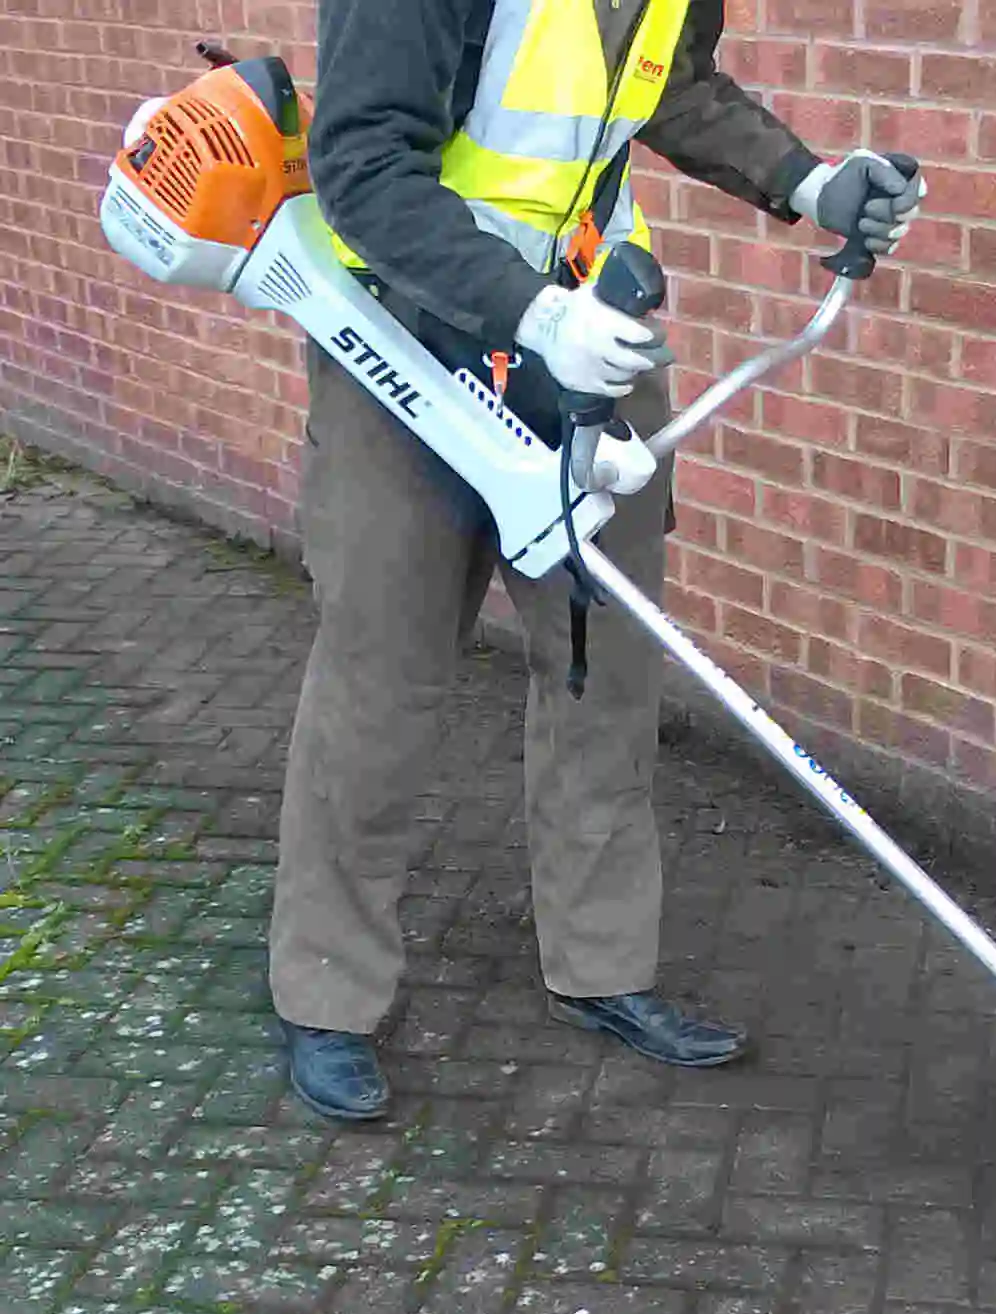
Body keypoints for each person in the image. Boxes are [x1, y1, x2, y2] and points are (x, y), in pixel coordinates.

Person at [268, 0, 926, 1122]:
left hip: (585, 334)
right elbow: (364, 165)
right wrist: (526, 313)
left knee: (601, 671)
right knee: (380, 679)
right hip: (408, 338)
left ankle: (601, 965)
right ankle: (325, 992)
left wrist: (807, 182)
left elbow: (672, 86)